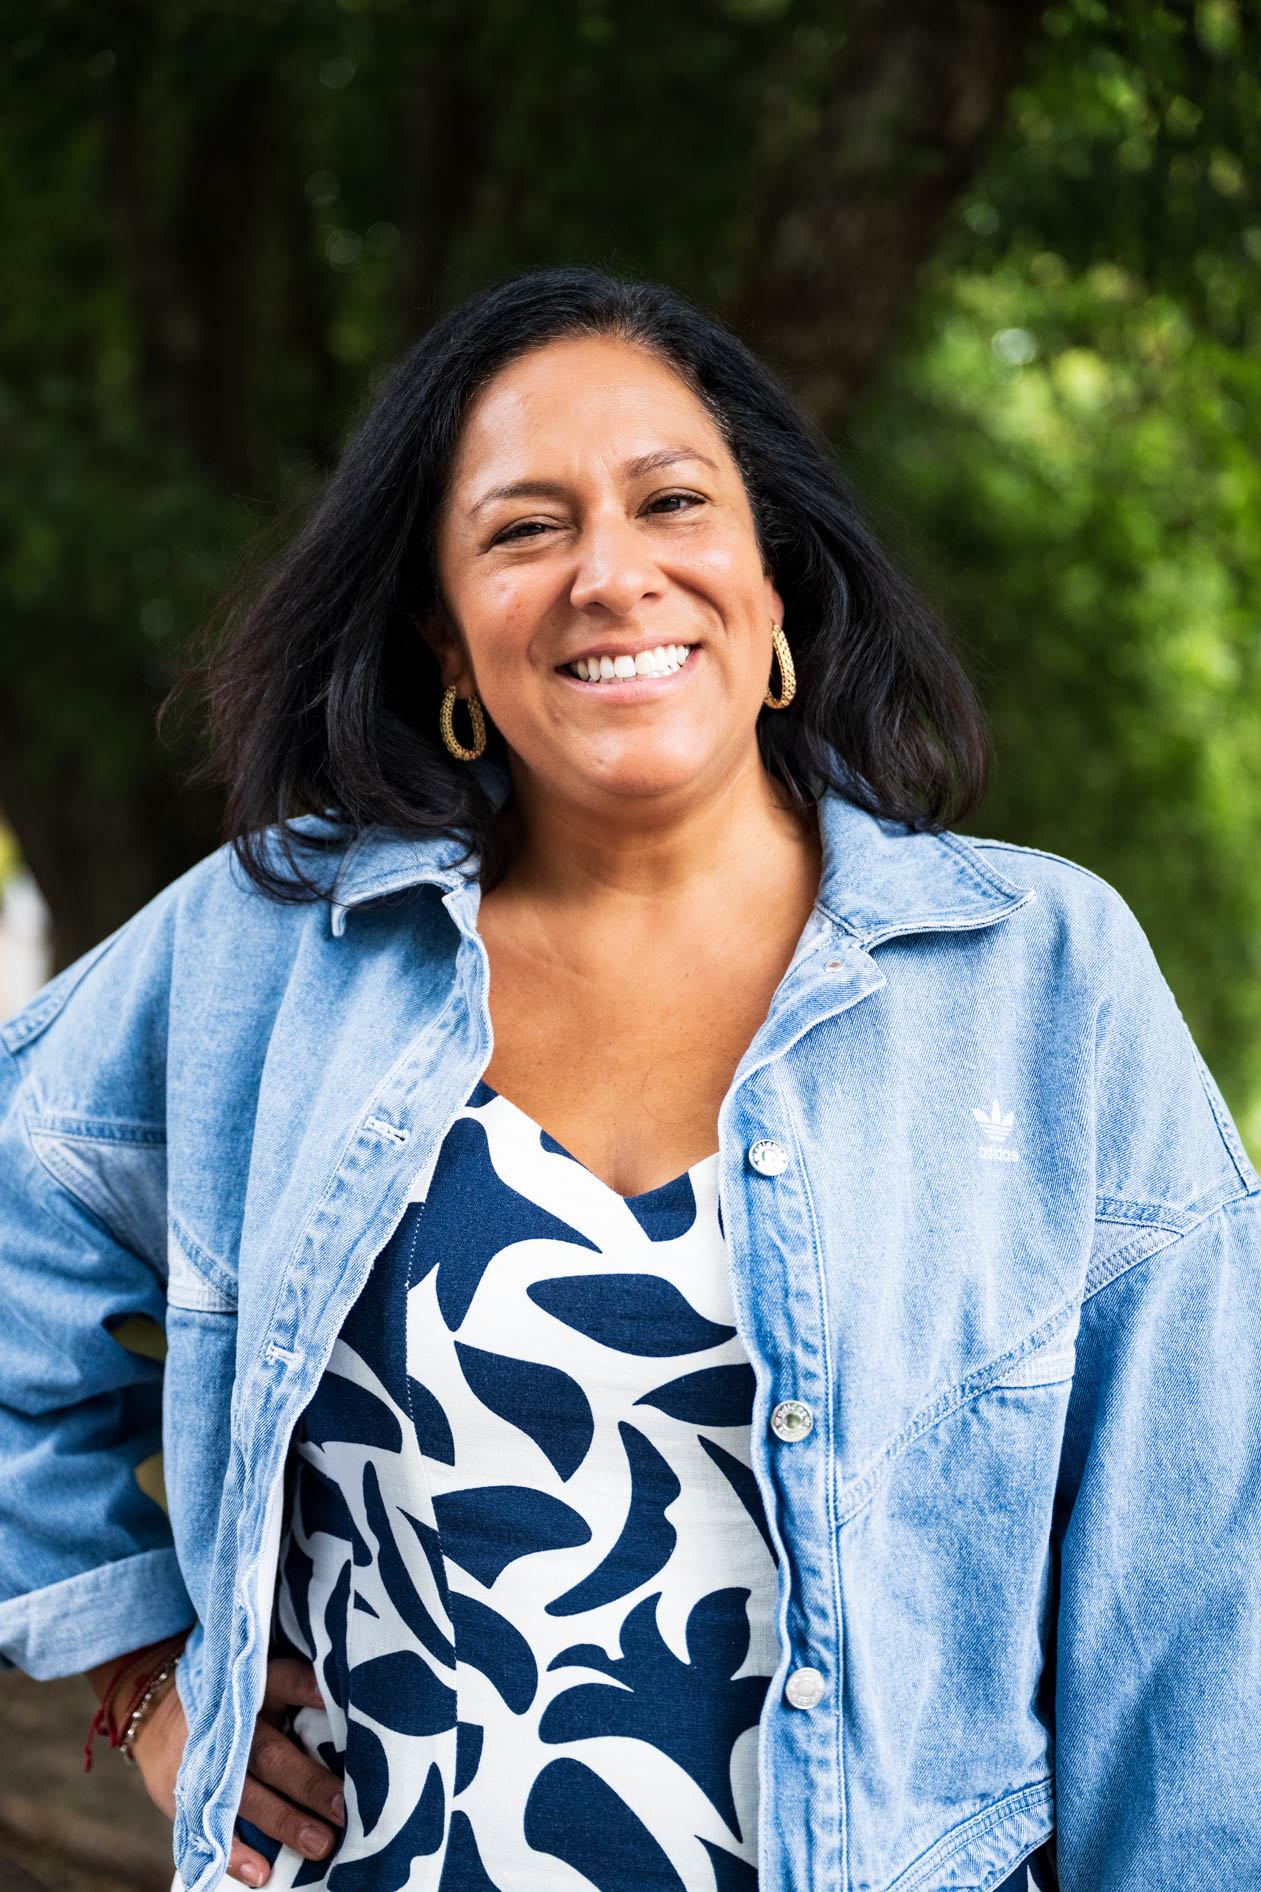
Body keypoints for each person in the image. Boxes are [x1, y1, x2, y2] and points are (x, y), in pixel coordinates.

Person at [0, 265, 1258, 1892]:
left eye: (671, 501)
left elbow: (1193, 1607)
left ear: (771, 578)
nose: (611, 575)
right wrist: (139, 1658)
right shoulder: (266, 955)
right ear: (443, 634)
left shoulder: (1040, 976)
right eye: (523, 530)